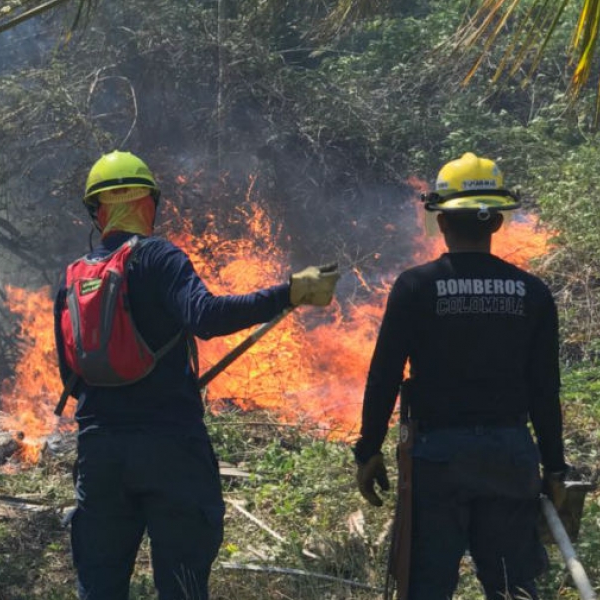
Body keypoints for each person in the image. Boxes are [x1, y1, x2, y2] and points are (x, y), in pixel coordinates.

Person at [54, 151, 341, 600]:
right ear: (151, 203)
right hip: (170, 449)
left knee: (100, 586)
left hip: (100, 453)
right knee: (183, 585)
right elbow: (205, 316)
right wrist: (288, 292)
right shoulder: (159, 257)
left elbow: (69, 374)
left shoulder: (74, 277)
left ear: (96, 210)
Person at [353, 152, 569, 599]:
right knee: (512, 587)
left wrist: (368, 449)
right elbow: (545, 390)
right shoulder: (532, 292)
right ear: (496, 223)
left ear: (442, 221)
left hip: (437, 458)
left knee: (426, 585)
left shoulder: (416, 286)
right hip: (510, 456)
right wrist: (555, 466)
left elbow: (384, 375)